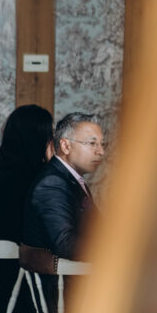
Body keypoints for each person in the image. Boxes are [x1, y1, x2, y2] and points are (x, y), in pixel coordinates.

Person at [0, 104, 53, 313]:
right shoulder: (37, 180)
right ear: (40, 139)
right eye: (49, 134)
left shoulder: (2, 174)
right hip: (13, 289)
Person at [22, 111, 105, 260]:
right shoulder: (52, 182)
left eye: (102, 144)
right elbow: (64, 245)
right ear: (66, 146)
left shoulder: (70, 179)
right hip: (62, 273)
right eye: (92, 143)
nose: (101, 152)